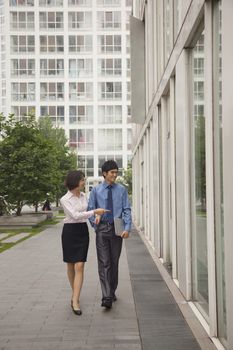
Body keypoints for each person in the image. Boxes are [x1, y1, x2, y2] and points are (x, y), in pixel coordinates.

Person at [60, 170, 109, 316]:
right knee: (70, 264)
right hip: (69, 232)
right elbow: (75, 216)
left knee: (79, 265)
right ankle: (75, 295)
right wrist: (94, 212)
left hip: (82, 232)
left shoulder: (84, 196)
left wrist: (96, 217)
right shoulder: (65, 199)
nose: (84, 182)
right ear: (75, 182)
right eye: (82, 180)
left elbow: (87, 212)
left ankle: (75, 300)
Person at [88, 160, 132, 309]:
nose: (115, 175)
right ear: (104, 174)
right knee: (104, 263)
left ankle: (112, 291)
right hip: (102, 228)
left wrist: (127, 228)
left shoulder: (122, 190)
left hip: (118, 226)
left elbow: (126, 209)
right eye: (112, 172)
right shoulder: (96, 191)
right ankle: (106, 296)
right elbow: (90, 210)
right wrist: (95, 223)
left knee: (114, 262)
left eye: (116, 172)